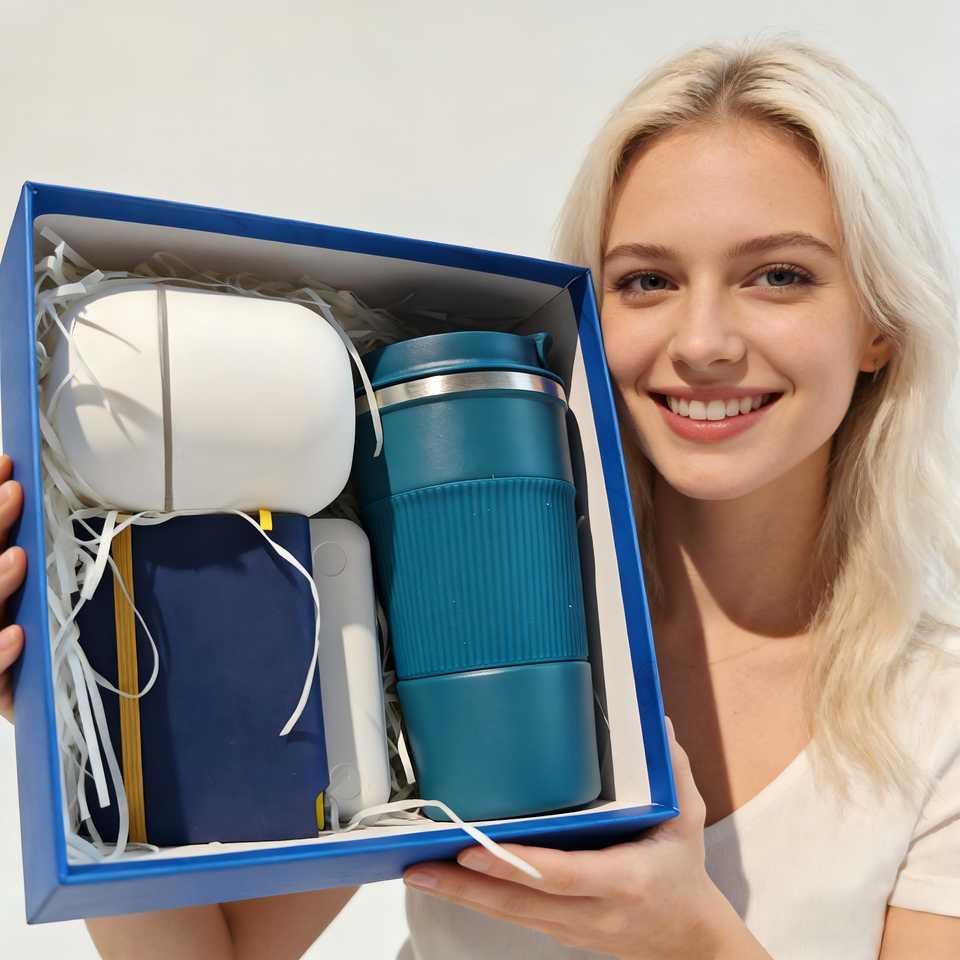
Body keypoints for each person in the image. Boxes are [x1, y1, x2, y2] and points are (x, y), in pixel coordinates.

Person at [2, 35, 960, 960]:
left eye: (779, 275)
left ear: (879, 323)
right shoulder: (467, 588)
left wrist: (688, 941)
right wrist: (55, 726)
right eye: (647, 280)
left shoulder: (940, 715)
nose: (703, 341)